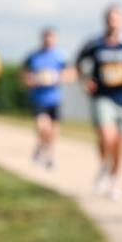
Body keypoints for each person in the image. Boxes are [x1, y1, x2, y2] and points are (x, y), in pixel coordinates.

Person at [76, 4, 122, 201]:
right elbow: (78, 64)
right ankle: (104, 165)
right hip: (102, 96)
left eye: (117, 17)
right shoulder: (94, 44)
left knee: (120, 143)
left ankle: (115, 180)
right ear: (105, 20)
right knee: (106, 137)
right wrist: (85, 80)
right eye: (110, 17)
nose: (113, 21)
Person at [22, 27, 75, 169]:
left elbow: (72, 73)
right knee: (42, 127)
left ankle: (49, 156)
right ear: (42, 38)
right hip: (39, 98)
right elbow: (24, 74)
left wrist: (58, 77)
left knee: (53, 132)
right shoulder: (33, 56)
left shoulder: (61, 55)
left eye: (51, 37)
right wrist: (30, 80)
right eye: (46, 37)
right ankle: (41, 148)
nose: (48, 40)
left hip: (55, 98)